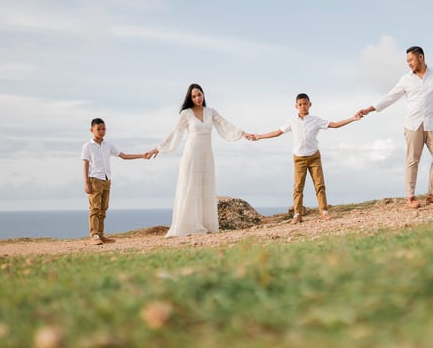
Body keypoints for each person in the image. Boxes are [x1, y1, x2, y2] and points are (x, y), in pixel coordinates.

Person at [148, 84, 250, 237]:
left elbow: (225, 124)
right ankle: (189, 225)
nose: (197, 98)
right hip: (192, 154)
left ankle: (205, 224)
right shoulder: (186, 113)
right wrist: (159, 148)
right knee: (190, 186)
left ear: (203, 95)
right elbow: (175, 132)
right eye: (194, 96)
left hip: (207, 155)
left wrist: (242, 133)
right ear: (190, 98)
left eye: (199, 95)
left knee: (206, 187)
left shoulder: (211, 112)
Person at [357, 46, 433, 209]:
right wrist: (369, 109)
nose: (409, 63)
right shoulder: (406, 79)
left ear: (421, 57)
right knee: (412, 160)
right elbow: (390, 97)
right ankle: (410, 197)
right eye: (407, 61)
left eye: (411, 60)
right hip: (413, 125)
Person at [248, 93, 362, 224]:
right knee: (298, 187)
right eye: (300, 104)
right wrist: (259, 136)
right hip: (299, 158)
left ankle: (324, 212)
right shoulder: (291, 121)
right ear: (296, 106)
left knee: (319, 185)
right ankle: (297, 214)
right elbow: (277, 132)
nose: (303, 106)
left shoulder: (316, 120)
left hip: (314, 157)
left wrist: (352, 118)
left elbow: (335, 125)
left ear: (310, 105)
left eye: (305, 104)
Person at [81, 118, 151, 245]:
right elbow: (85, 164)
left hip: (106, 179)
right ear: (91, 130)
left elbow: (123, 156)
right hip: (95, 179)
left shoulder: (108, 145)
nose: (101, 131)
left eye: (103, 129)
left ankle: (100, 235)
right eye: (98, 129)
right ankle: (94, 235)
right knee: (95, 208)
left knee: (103, 209)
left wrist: (142, 156)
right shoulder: (88, 146)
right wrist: (86, 182)